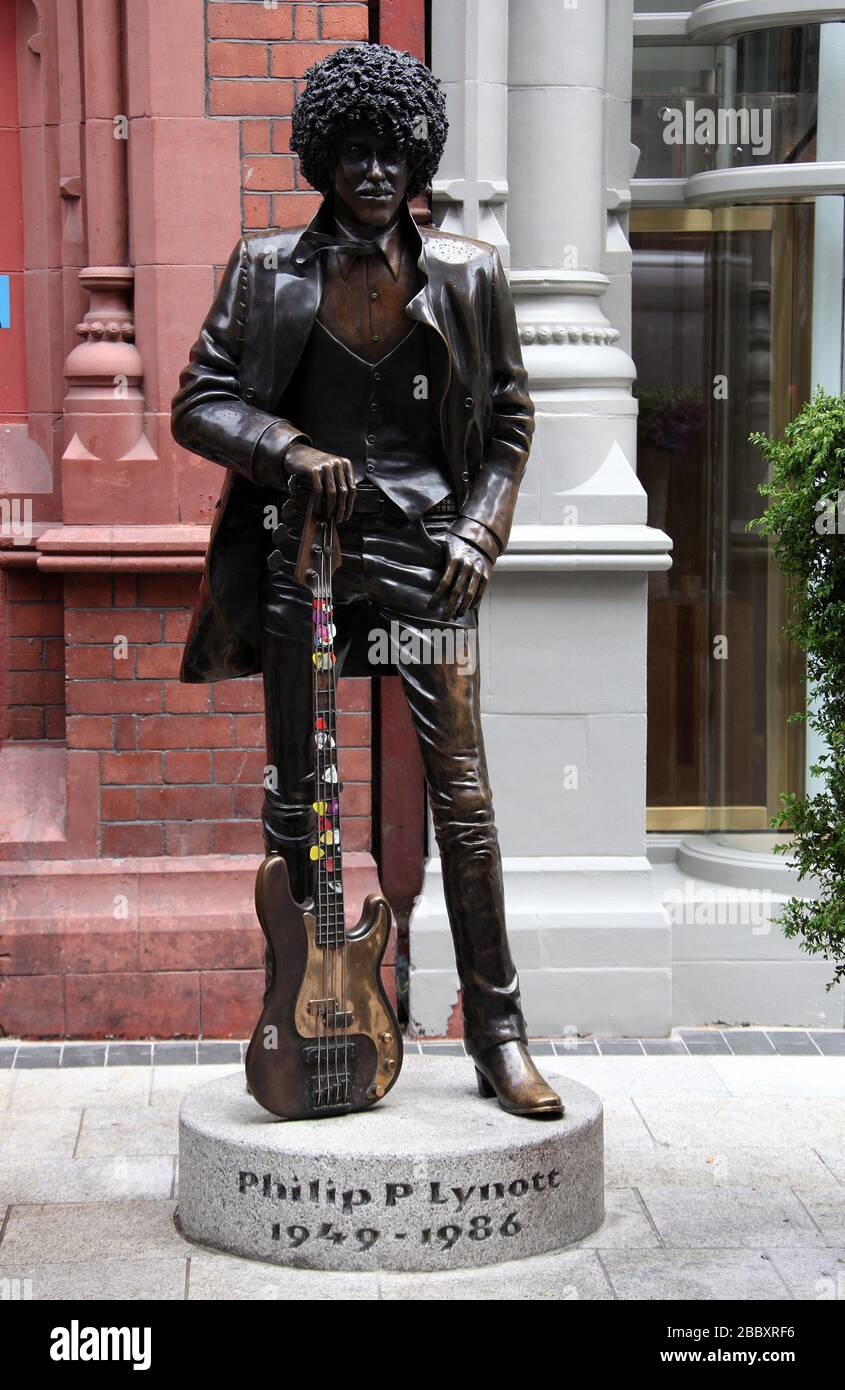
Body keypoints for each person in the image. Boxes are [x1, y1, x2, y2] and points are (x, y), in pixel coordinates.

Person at [171, 43, 562, 1118]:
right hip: (304, 554)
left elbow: (512, 421)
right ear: (323, 158)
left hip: (429, 552)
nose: (374, 169)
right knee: (295, 798)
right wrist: (287, 450)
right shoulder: (266, 270)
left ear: (417, 157)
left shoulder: (472, 275)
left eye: (392, 151)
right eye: (354, 150)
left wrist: (479, 534)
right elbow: (196, 400)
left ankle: (498, 1030)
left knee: (464, 800)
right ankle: (302, 1016)